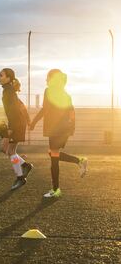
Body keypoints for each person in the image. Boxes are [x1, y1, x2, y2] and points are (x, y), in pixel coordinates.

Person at [30, 69, 88, 198]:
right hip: (63, 129)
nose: (46, 80)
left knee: (54, 157)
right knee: (52, 153)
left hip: (56, 129)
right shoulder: (66, 94)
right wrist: (72, 127)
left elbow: (45, 109)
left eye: (48, 78)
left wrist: (33, 122)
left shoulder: (49, 91)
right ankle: (79, 160)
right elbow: (72, 112)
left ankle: (56, 189)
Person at [0, 68, 34, 190]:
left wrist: (11, 127)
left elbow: (14, 111)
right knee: (7, 150)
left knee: (10, 151)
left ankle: (20, 178)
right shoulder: (7, 91)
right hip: (15, 123)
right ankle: (25, 166)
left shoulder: (9, 91)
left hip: (17, 124)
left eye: (1, 75)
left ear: (8, 78)